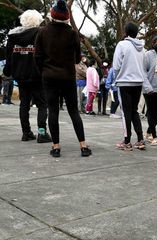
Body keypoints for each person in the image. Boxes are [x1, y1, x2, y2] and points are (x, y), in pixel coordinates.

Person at [34, 0, 92, 157]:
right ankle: (83, 146)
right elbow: (76, 59)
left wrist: (44, 71)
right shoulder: (72, 33)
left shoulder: (42, 32)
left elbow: (37, 57)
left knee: (53, 111)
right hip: (67, 77)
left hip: (49, 77)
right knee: (74, 111)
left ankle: (56, 147)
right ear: (67, 17)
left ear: (52, 15)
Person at [3, 9, 52, 143]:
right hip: (37, 75)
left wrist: (7, 71)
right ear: (37, 21)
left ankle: (26, 133)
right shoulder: (41, 34)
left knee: (24, 104)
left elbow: (9, 57)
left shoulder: (13, 37)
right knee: (42, 104)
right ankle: (42, 133)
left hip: (20, 75)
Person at [113, 22, 152, 151]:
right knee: (134, 110)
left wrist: (116, 78)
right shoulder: (142, 48)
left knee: (125, 112)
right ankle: (140, 140)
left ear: (126, 32)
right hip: (138, 83)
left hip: (124, 82)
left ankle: (127, 141)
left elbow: (117, 66)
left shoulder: (122, 44)